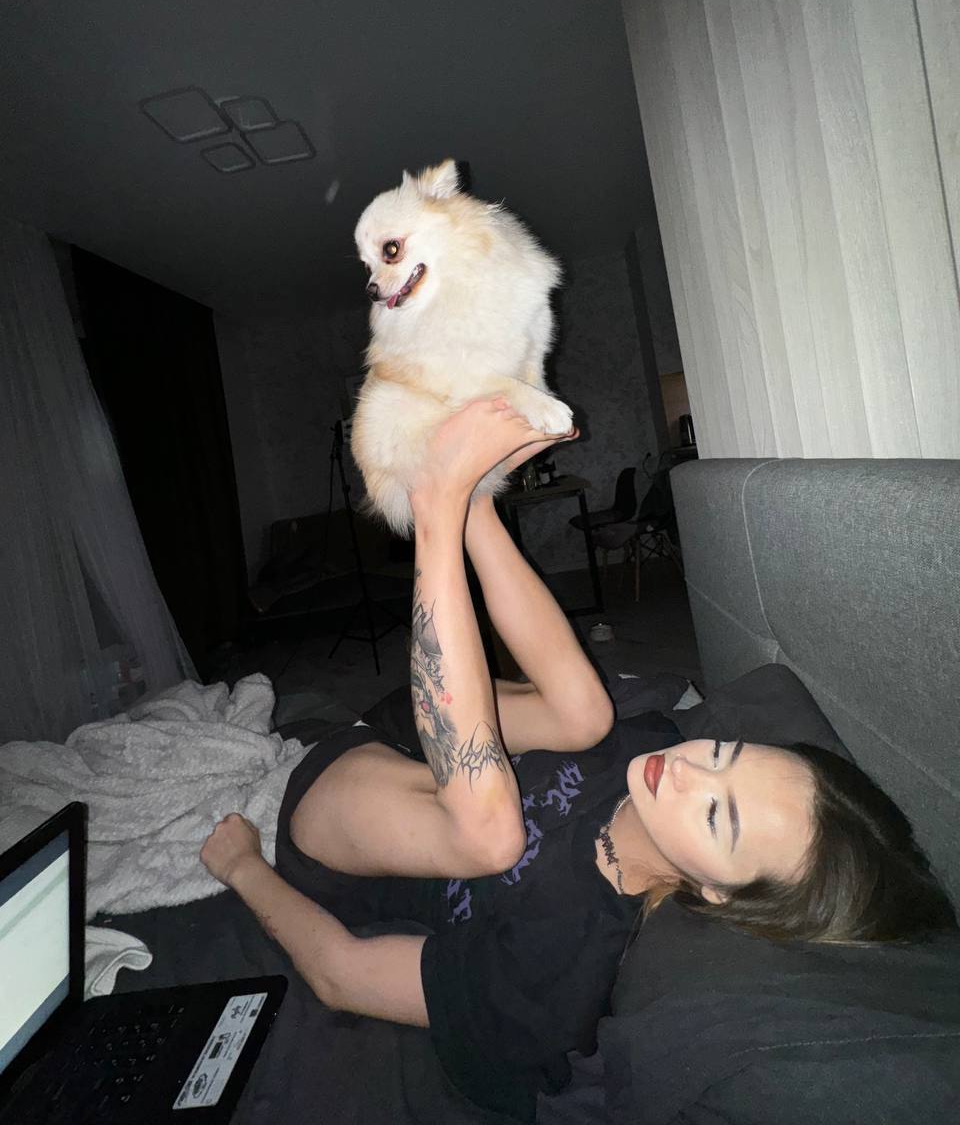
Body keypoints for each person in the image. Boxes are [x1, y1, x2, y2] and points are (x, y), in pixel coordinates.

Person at [200, 399, 956, 1121]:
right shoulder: (650, 756)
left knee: (491, 835)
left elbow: (340, 977)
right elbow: (572, 716)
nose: (686, 768)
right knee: (592, 716)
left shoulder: (558, 972)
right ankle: (476, 506)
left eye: (715, 813)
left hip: (338, 826)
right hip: (417, 734)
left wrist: (242, 867)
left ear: (718, 895)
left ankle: (435, 504)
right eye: (723, 752)